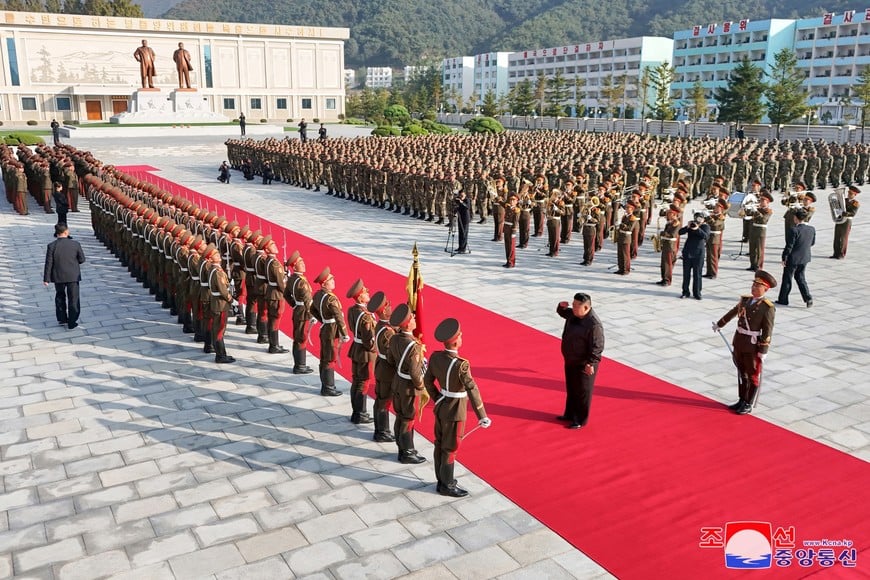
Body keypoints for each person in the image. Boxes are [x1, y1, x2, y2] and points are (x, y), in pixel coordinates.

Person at [423, 318, 491, 497]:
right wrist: (482, 415)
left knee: (439, 444)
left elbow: (427, 381)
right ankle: (447, 484)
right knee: (450, 448)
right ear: (455, 341)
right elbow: (472, 389)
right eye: (460, 335)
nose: (461, 337)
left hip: (441, 406)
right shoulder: (462, 365)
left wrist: (437, 398)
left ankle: (441, 480)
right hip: (456, 411)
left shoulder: (436, 357)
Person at [713, 271, 777, 415]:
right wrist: (719, 324)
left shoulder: (767, 308)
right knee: (741, 372)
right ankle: (741, 399)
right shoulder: (745, 300)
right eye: (753, 285)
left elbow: (768, 330)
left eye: (757, 286)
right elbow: (733, 312)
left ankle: (748, 402)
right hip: (740, 341)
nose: (753, 288)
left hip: (752, 345)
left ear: (765, 289)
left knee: (752, 374)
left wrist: (763, 350)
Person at [556, 293, 605, 429]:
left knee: (583, 391)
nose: (573, 307)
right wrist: (561, 307)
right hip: (571, 358)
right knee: (571, 388)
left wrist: (591, 363)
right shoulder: (574, 314)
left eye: (577, 305)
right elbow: (563, 313)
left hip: (584, 363)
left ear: (586, 307)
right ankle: (570, 414)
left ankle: (580, 419)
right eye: (573, 304)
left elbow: (597, 346)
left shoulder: (594, 324)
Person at [387, 303, 426, 463]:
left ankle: (402, 446)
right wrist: (422, 387)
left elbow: (390, 359)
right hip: (409, 387)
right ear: (408, 322)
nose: (415, 319)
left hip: (397, 381)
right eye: (413, 318)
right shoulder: (414, 346)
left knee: (400, 416)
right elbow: (416, 374)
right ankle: (407, 452)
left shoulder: (395, 337)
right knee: (408, 418)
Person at [310, 267, 348, 396]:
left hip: (325, 328)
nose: (333, 281)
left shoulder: (318, 295)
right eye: (331, 279)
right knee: (330, 358)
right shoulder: (331, 299)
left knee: (325, 358)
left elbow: (312, 309)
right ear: (325, 283)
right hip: (332, 330)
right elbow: (339, 317)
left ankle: (325, 385)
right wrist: (344, 333)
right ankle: (329, 387)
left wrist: (323, 320)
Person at [43, 223, 86, 330]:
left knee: (60, 296)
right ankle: (72, 321)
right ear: (66, 232)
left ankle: (62, 318)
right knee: (73, 298)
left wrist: (46, 278)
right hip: (73, 276)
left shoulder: (51, 246)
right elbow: (82, 259)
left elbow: (49, 263)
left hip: (58, 276)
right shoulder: (75, 244)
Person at [346, 278, 375, 424]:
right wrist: (377, 349)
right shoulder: (366, 316)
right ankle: (360, 413)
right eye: (365, 291)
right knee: (363, 382)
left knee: (356, 380)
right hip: (365, 352)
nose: (368, 292)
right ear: (359, 296)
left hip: (356, 348)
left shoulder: (352, 310)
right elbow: (368, 340)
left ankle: (356, 411)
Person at [368, 291, 396, 441]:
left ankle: (380, 429)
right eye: (389, 305)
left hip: (381, 366)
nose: (391, 307)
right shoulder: (387, 332)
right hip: (387, 370)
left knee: (381, 399)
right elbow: (392, 355)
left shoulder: (383, 325)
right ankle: (382, 431)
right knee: (384, 400)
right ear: (384, 310)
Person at [777, 208, 815, 307]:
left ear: (796, 218)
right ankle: (808, 298)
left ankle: (783, 299)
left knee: (787, 278)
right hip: (804, 257)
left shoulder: (794, 230)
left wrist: (784, 257)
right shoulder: (811, 229)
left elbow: (789, 246)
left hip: (793, 258)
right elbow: (812, 243)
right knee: (800, 277)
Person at [284, 251, 314, 374]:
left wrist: (294, 304)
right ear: (295, 266)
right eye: (301, 263)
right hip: (303, 312)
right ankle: (300, 365)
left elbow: (286, 294)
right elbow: (307, 299)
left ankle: (299, 363)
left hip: (298, 309)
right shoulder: (301, 281)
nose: (304, 264)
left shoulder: (292, 279)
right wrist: (312, 314)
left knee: (298, 337)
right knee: (301, 338)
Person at [205, 244, 235, 363]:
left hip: (217, 302)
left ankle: (221, 353)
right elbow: (222, 290)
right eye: (216, 255)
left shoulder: (215, 269)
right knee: (220, 329)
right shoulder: (216, 272)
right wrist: (231, 299)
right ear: (211, 258)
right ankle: (220, 355)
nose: (218, 255)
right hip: (221, 304)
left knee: (218, 328)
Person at [679, 211, 710, 300]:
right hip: (688, 252)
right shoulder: (692, 224)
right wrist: (688, 227)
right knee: (686, 274)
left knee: (697, 274)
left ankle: (697, 293)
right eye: (697, 218)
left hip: (698, 254)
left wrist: (697, 228)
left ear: (703, 219)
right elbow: (680, 232)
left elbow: (706, 237)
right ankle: (685, 292)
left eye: (700, 218)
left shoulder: (705, 226)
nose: (698, 220)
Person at [831, 185, 860, 259]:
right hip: (840, 219)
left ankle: (841, 254)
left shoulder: (855, 203)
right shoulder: (844, 200)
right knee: (836, 237)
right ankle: (836, 253)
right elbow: (837, 207)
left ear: (855, 195)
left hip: (847, 221)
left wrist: (843, 213)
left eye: (851, 193)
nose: (849, 195)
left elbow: (852, 213)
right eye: (849, 193)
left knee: (844, 238)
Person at [502, 194, 519, 267]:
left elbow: (516, 221)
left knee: (511, 246)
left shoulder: (517, 210)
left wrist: (514, 231)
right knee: (507, 246)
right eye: (511, 200)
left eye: (513, 200)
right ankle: (508, 260)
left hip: (511, 228)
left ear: (516, 202)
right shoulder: (508, 207)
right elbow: (501, 202)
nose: (512, 201)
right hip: (506, 227)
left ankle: (511, 262)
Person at [454, 185, 471, 254]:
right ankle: (460, 246)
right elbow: (456, 207)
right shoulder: (459, 200)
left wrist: (461, 202)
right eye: (460, 195)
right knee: (460, 233)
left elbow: (467, 207)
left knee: (464, 233)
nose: (461, 197)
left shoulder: (467, 200)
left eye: (463, 195)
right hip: (460, 217)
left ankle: (463, 248)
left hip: (465, 218)